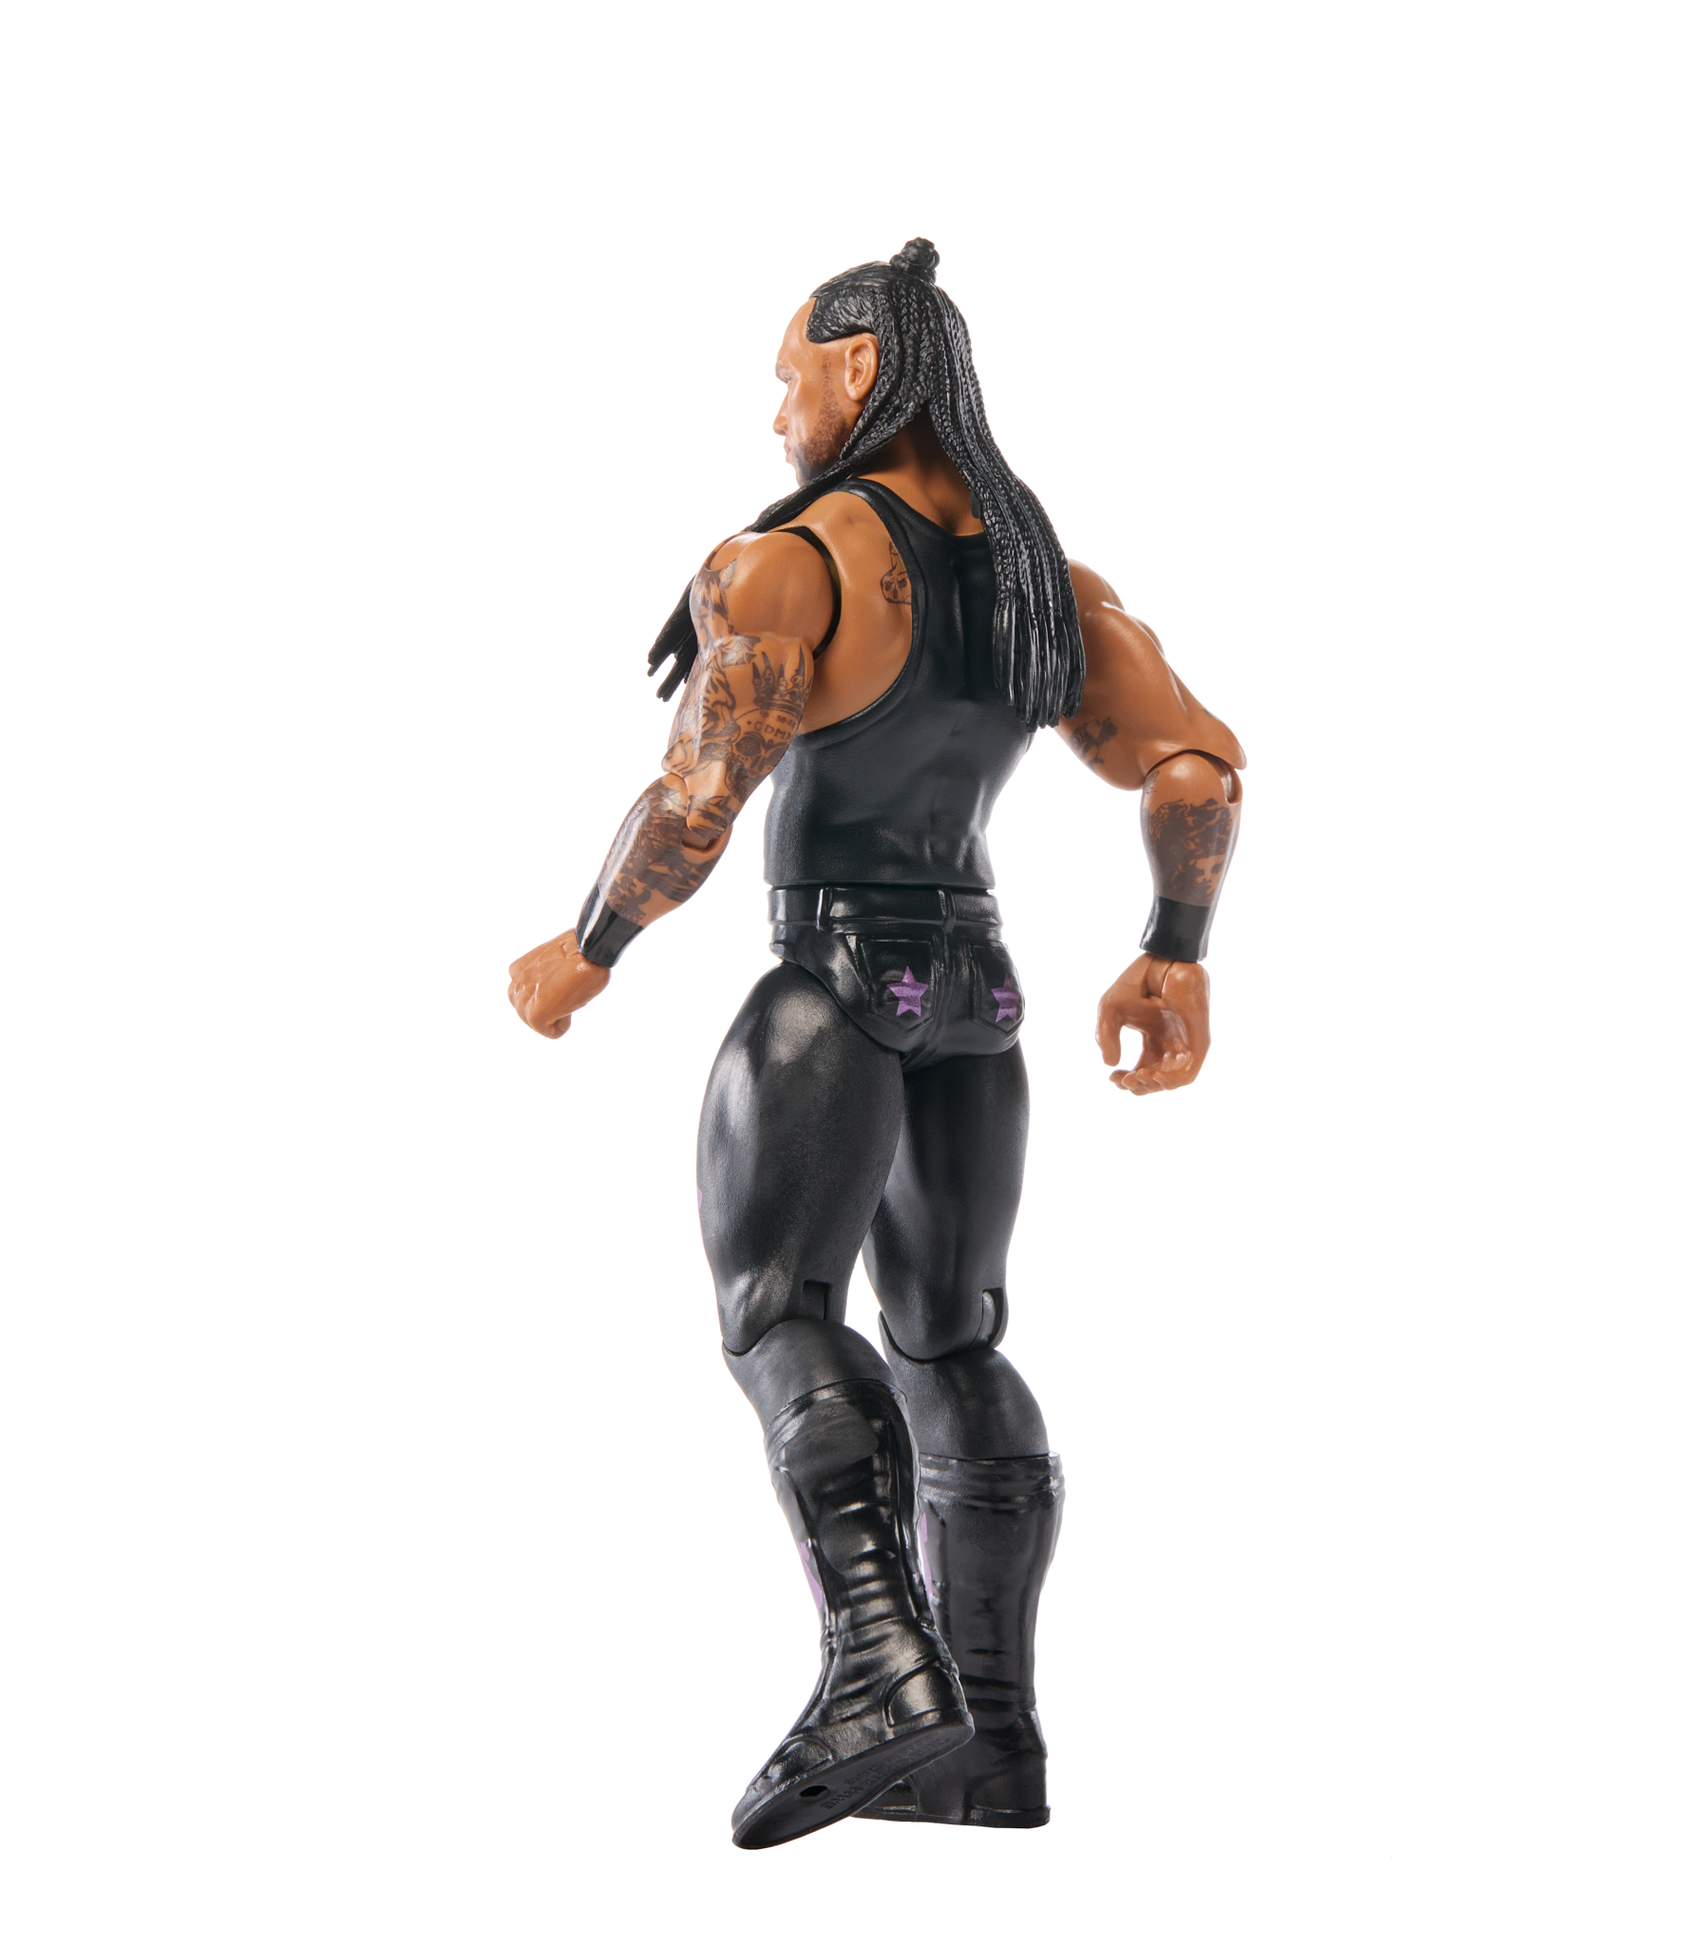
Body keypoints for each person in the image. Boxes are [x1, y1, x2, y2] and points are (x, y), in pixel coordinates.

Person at [507, 239, 1244, 1849]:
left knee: (776, 1313)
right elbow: (1193, 766)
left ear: (858, 367)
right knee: (950, 1343)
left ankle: (875, 1667)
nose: (777, 413)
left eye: (788, 377)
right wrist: (1172, 955)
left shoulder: (790, 565)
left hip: (832, 979)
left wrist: (586, 948)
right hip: (976, 995)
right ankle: (989, 1738)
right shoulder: (1042, 581)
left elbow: (698, 798)